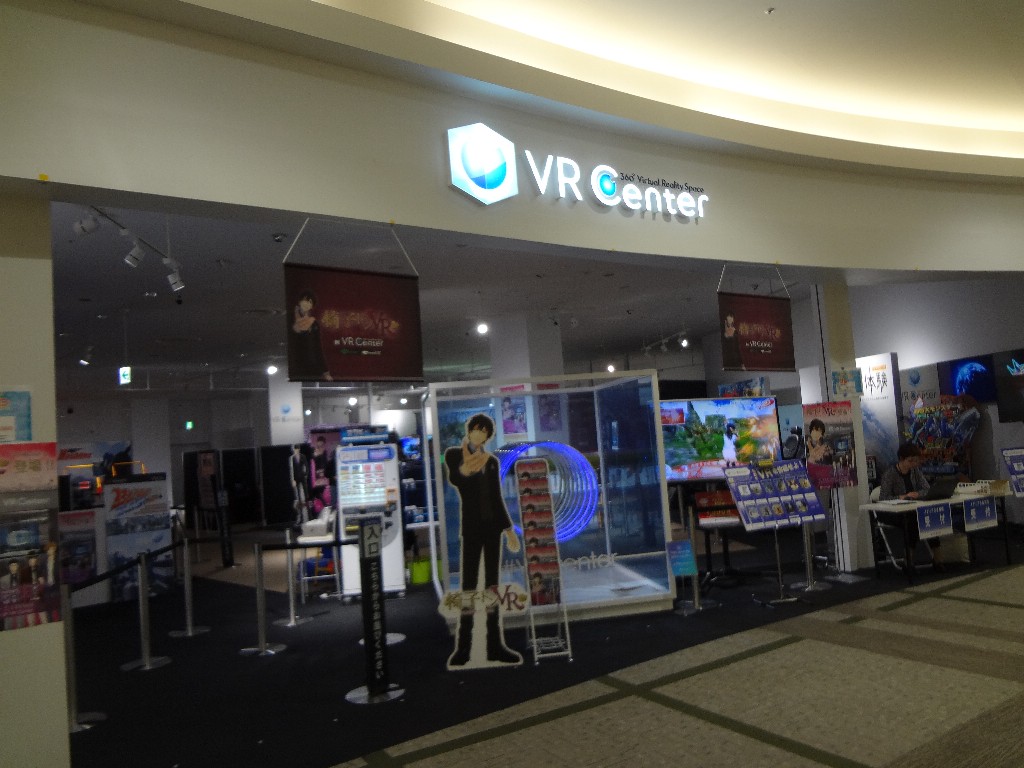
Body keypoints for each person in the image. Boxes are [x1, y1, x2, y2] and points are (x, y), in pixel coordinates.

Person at [443, 413, 522, 667]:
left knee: (492, 586)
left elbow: (497, 498)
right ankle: (463, 647)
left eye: (484, 431)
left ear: (488, 436)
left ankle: (494, 645)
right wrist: (465, 470)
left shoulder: (492, 462)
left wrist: (508, 529)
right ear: (469, 431)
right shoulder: (454, 455)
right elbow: (456, 478)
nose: (479, 434)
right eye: (476, 429)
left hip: (492, 530)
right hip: (471, 529)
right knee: (468, 585)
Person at [877, 443, 943, 570]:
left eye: (916, 460)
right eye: (910, 460)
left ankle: (938, 558)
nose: (913, 463)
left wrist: (917, 494)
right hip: (893, 512)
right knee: (913, 521)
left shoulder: (915, 471)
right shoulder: (890, 474)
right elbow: (883, 498)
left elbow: (927, 489)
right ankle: (909, 560)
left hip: (912, 509)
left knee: (930, 517)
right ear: (901, 459)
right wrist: (901, 497)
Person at [289, 291, 332, 381]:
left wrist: (325, 372)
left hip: (313, 367)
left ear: (312, 306)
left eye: (310, 302)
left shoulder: (314, 323)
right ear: (299, 301)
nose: (306, 303)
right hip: (295, 368)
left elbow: (317, 348)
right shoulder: (290, 319)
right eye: (305, 300)